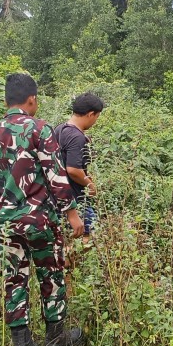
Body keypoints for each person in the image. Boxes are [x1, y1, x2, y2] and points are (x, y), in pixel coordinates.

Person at [0, 73, 86, 346]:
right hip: (41, 222)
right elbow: (56, 175)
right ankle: (55, 341)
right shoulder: (40, 129)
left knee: (14, 279)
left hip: (7, 224)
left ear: (6, 100)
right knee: (51, 276)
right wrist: (72, 213)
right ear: (32, 99)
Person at [54, 92, 105, 240]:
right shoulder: (77, 137)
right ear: (90, 114)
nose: (95, 121)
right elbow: (73, 169)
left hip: (59, 197)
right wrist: (90, 185)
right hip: (76, 199)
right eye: (96, 117)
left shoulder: (59, 129)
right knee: (87, 237)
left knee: (67, 239)